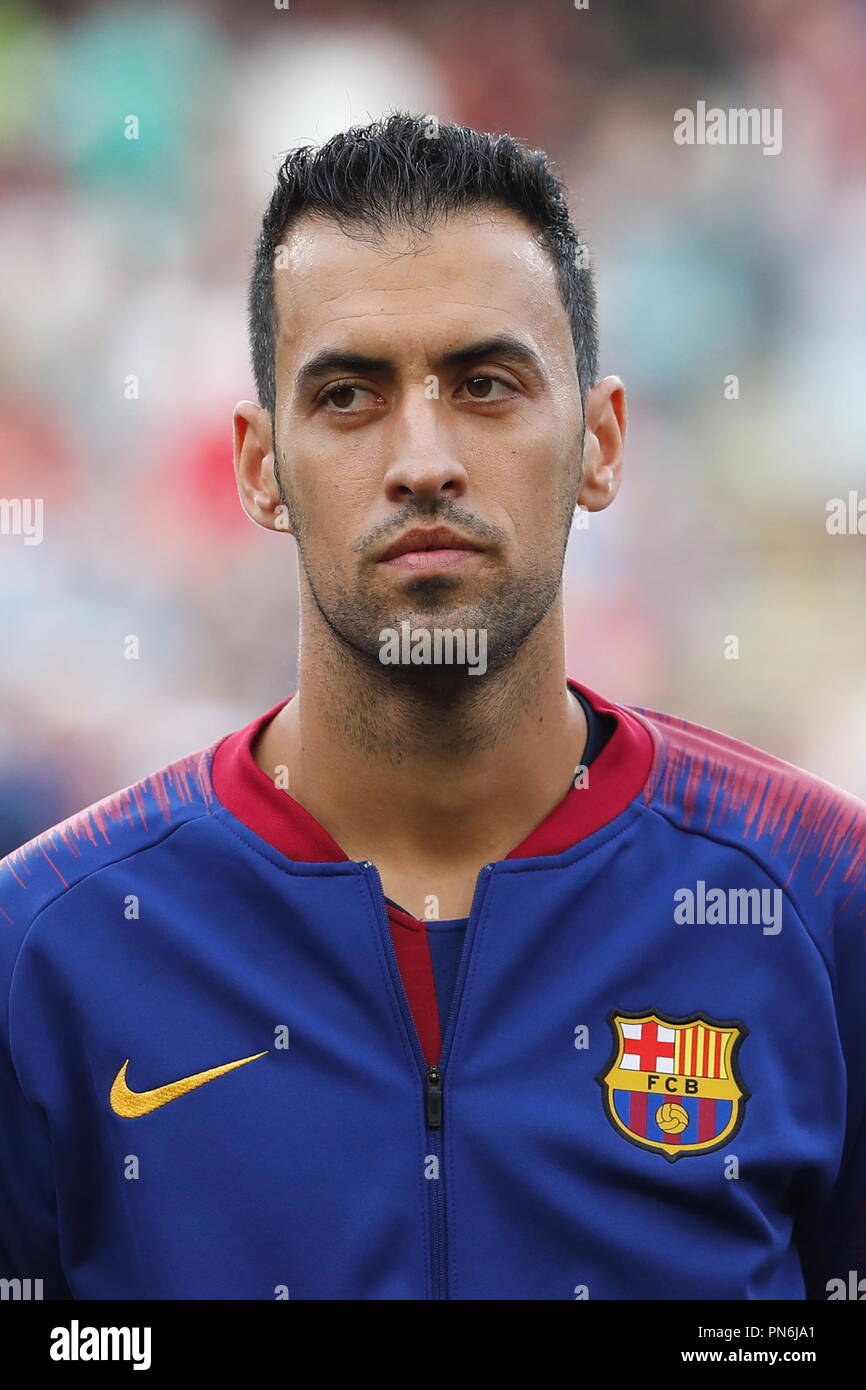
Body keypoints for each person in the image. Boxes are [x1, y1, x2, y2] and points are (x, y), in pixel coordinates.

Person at [1, 113, 863, 1302]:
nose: (423, 459)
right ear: (259, 465)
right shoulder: (50, 949)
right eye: (350, 394)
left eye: (485, 384)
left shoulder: (819, 903)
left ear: (601, 442)